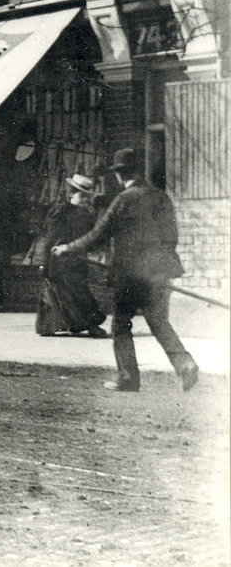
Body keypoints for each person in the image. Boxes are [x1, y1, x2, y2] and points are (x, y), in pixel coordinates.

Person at [53, 148, 198, 393]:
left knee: (120, 325)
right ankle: (185, 364)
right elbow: (171, 237)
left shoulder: (123, 200)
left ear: (120, 175)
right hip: (159, 273)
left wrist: (67, 248)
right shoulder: (162, 197)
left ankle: (128, 379)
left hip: (129, 275)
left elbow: (97, 236)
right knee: (159, 322)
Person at [30, 173, 107, 338]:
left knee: (79, 292)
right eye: (82, 195)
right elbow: (48, 238)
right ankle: (51, 327)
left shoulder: (86, 214)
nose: (85, 199)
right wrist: (43, 261)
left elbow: (90, 237)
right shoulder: (60, 212)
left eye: (88, 196)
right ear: (71, 194)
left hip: (76, 260)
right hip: (57, 260)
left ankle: (88, 325)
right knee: (57, 294)